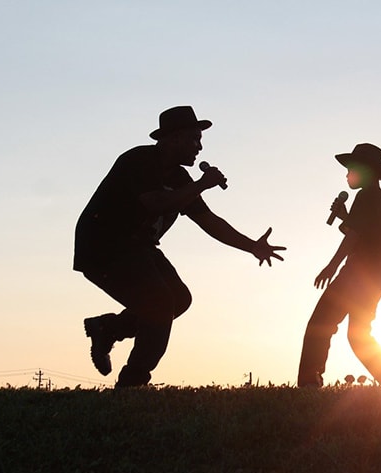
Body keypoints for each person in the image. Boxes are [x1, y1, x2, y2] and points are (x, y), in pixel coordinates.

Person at [73, 105, 285, 388]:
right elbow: (157, 202)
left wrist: (252, 247)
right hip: (104, 247)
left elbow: (208, 221)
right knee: (159, 304)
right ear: (173, 139)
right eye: (194, 139)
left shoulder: (180, 179)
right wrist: (201, 184)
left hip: (139, 248)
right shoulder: (139, 160)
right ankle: (132, 384)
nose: (199, 147)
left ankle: (108, 328)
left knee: (178, 300)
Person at [297, 143, 381, 387]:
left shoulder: (366, 196)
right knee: (358, 335)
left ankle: (308, 382)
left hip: (357, 275)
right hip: (377, 277)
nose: (347, 173)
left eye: (352, 168)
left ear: (367, 171)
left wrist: (331, 266)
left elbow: (354, 236)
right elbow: (367, 233)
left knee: (320, 324)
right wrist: (345, 216)